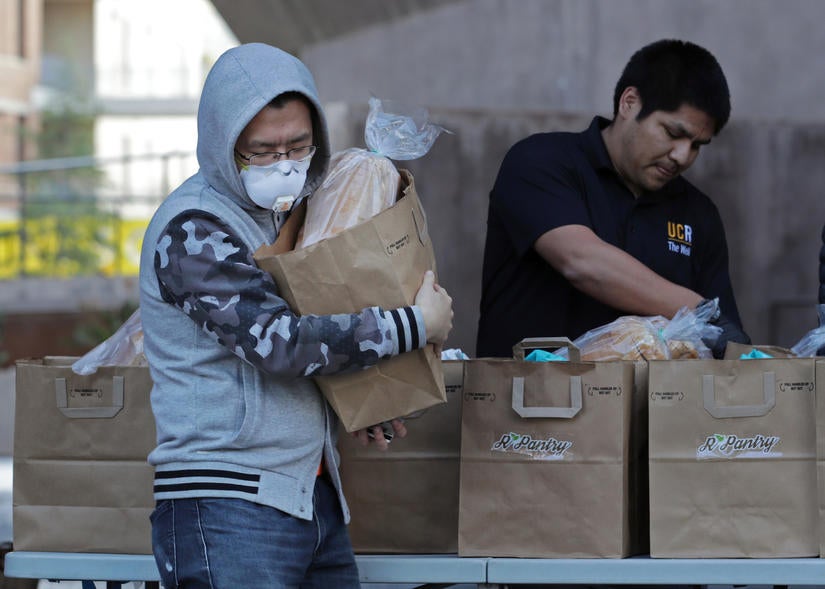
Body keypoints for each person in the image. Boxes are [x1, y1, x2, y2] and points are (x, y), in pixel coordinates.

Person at [138, 43, 453, 589]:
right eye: (261, 151)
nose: (283, 163)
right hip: (227, 508)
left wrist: (366, 400)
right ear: (222, 145)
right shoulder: (193, 228)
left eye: (298, 145)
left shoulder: (294, 215)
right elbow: (277, 343)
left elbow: (307, 338)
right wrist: (412, 325)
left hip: (311, 498)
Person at [476, 38, 749, 359]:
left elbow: (727, 338)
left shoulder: (698, 213)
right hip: (530, 402)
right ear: (629, 102)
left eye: (697, 145)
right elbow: (582, 262)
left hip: (656, 407)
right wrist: (697, 311)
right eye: (673, 133)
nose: (682, 155)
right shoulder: (541, 162)